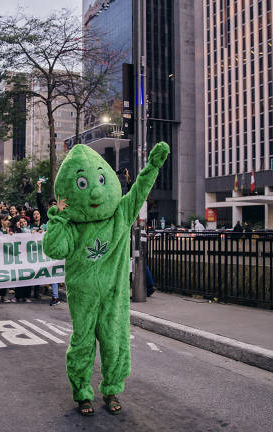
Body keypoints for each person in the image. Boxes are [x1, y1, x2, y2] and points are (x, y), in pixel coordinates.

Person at [43, 141, 170, 416]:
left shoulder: (120, 216)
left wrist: (153, 166)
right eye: (83, 184)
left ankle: (112, 388)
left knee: (114, 341)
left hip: (114, 293)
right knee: (83, 342)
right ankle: (82, 392)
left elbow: (138, 191)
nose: (97, 191)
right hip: (82, 295)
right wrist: (58, 218)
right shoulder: (72, 226)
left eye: (101, 180)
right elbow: (54, 248)